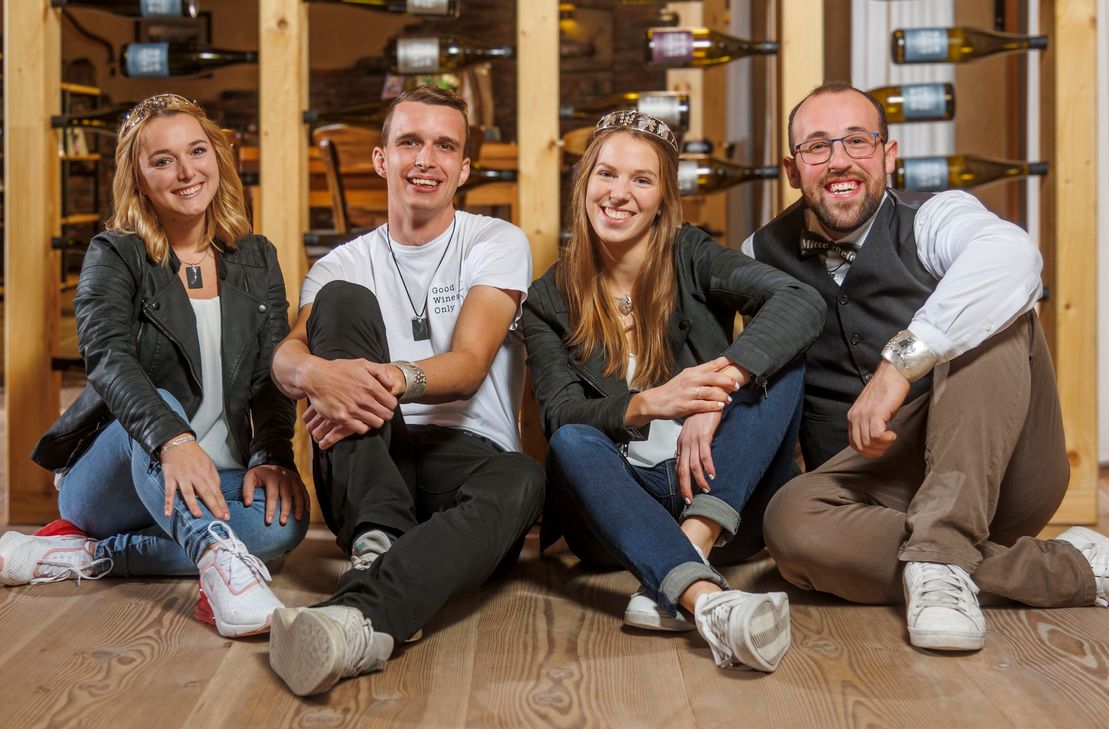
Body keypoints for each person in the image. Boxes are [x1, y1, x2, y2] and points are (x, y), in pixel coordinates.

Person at [745, 82, 1108, 652]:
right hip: (872, 498)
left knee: (999, 313)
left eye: (858, 141)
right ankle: (1057, 567)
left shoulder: (936, 215)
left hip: (1000, 476)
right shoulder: (759, 254)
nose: (839, 161)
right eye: (817, 146)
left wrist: (899, 365)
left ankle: (944, 547)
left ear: (888, 155)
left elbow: (1013, 255)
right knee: (789, 522)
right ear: (793, 170)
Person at [522, 110, 825, 672]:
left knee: (780, 359)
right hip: (615, 511)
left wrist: (721, 387)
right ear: (584, 184)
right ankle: (704, 594)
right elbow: (560, 413)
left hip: (721, 491)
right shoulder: (549, 298)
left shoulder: (691, 254)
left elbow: (800, 301)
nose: (619, 194)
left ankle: (690, 556)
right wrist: (650, 403)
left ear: (663, 199)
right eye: (607, 174)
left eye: (642, 179)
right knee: (570, 440)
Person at [266, 86, 544, 696]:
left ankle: (358, 611)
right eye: (410, 142)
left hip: (468, 462)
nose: (426, 159)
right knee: (341, 303)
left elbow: (468, 366)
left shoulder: (496, 242)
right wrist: (315, 376)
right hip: (370, 456)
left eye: (445, 146)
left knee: (525, 478)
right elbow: (287, 355)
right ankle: (380, 549)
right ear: (381, 159)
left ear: (463, 169)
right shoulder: (341, 265)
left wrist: (385, 378)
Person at [1, 94, 308, 638]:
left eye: (197, 151)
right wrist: (174, 441)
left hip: (217, 474)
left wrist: (272, 454)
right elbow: (109, 360)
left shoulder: (257, 256)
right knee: (159, 401)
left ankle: (89, 554)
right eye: (163, 160)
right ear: (138, 178)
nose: (186, 172)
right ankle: (217, 562)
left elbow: (269, 376)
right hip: (116, 476)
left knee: (283, 524)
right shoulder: (115, 253)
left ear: (217, 157)